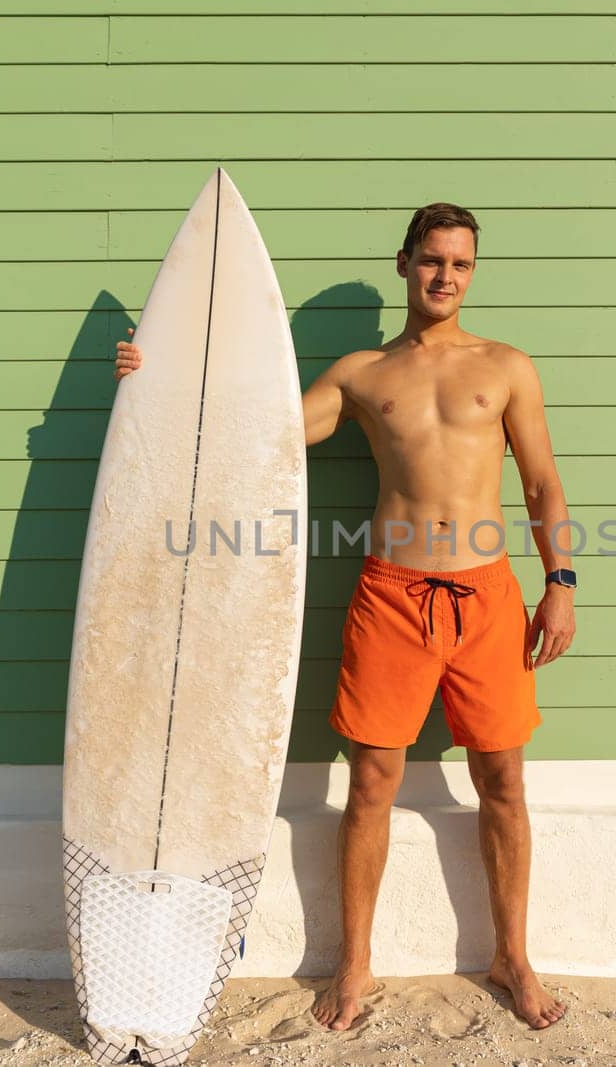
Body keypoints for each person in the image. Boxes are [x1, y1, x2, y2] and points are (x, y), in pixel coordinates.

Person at [115, 203, 574, 1032]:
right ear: (405, 263)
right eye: (432, 260)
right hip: (392, 596)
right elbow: (264, 433)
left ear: (474, 272)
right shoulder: (363, 374)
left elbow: (542, 484)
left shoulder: (507, 367)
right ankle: (354, 964)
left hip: (488, 598)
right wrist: (159, 379)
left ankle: (513, 954)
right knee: (371, 782)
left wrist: (562, 583)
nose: (446, 276)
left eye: (461, 264)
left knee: (503, 780)